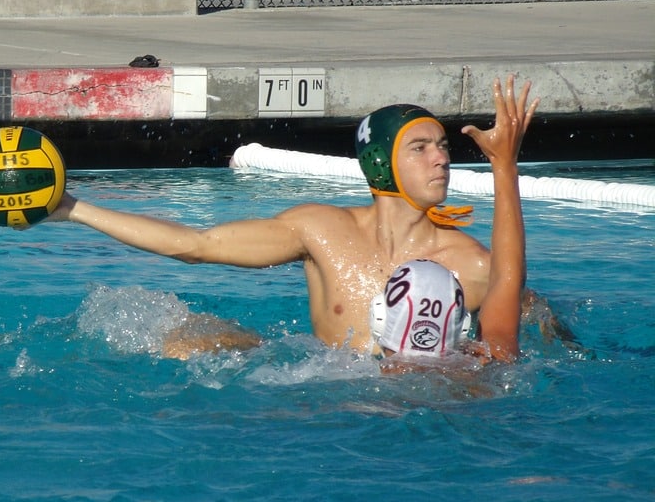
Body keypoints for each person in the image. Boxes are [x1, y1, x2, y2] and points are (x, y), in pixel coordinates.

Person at [46, 75, 539, 358]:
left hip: (417, 400)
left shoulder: (470, 264)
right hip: (325, 387)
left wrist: (505, 166)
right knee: (185, 341)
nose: (442, 159)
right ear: (380, 162)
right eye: (421, 147)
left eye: (443, 146)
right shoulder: (321, 230)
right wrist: (75, 209)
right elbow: (197, 246)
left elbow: (505, 343)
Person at [372, 76, 535, 364]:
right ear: (463, 328)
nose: (442, 159)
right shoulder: (483, 367)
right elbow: (507, 279)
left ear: (378, 319)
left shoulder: (345, 383)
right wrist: (504, 162)